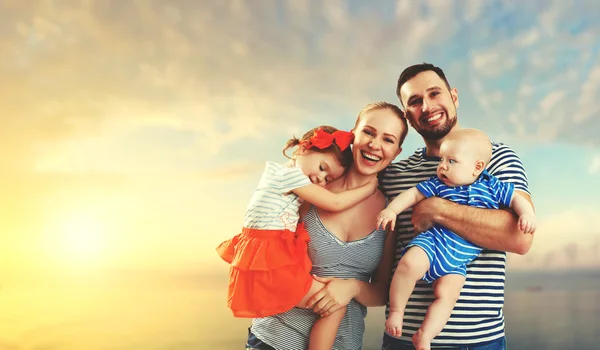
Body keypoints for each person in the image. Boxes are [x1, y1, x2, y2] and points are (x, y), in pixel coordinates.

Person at [380, 63, 535, 350]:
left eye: (434, 93)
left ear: (454, 96)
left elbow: (521, 237)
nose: (426, 106)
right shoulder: (394, 174)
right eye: (415, 101)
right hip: (401, 340)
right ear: (407, 115)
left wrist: (438, 209)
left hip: (478, 342)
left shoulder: (495, 158)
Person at [245, 102, 409, 350]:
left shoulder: (389, 214)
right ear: (353, 134)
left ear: (396, 152)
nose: (375, 144)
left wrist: (352, 287)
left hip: (343, 343)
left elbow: (384, 292)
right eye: (369, 132)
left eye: (388, 140)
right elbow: (268, 249)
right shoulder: (311, 187)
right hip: (273, 339)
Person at [216, 125, 380, 350]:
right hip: (272, 263)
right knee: (335, 305)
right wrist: (369, 188)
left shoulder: (285, 180)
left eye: (327, 178)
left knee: (330, 301)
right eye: (322, 167)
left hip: (264, 258)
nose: (320, 178)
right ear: (303, 148)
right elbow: (335, 203)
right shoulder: (288, 176)